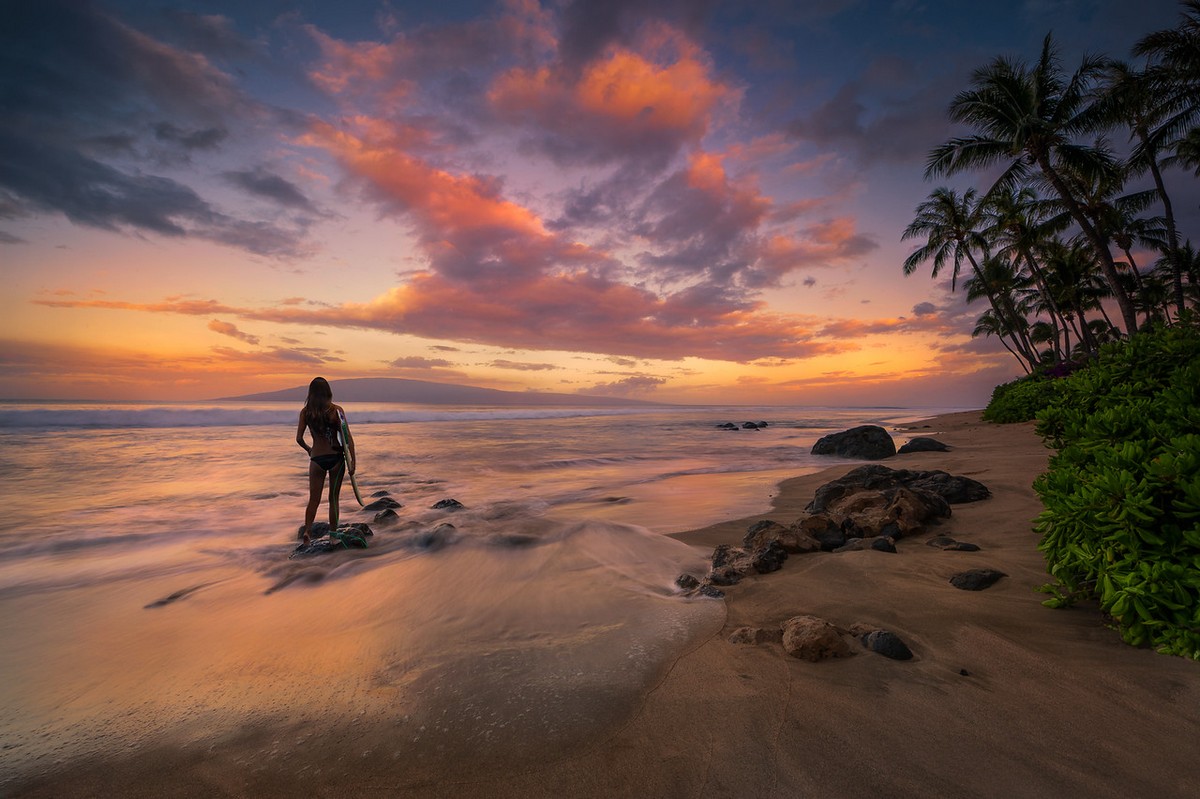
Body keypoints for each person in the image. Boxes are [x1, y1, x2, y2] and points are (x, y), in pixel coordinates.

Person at [295, 377, 356, 545]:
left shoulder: (306, 412)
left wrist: (309, 450)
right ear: (328, 392)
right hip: (336, 457)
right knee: (333, 499)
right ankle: (333, 535)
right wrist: (352, 461)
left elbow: (299, 438)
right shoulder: (337, 411)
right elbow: (347, 437)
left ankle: (307, 531)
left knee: (314, 499)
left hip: (316, 459)